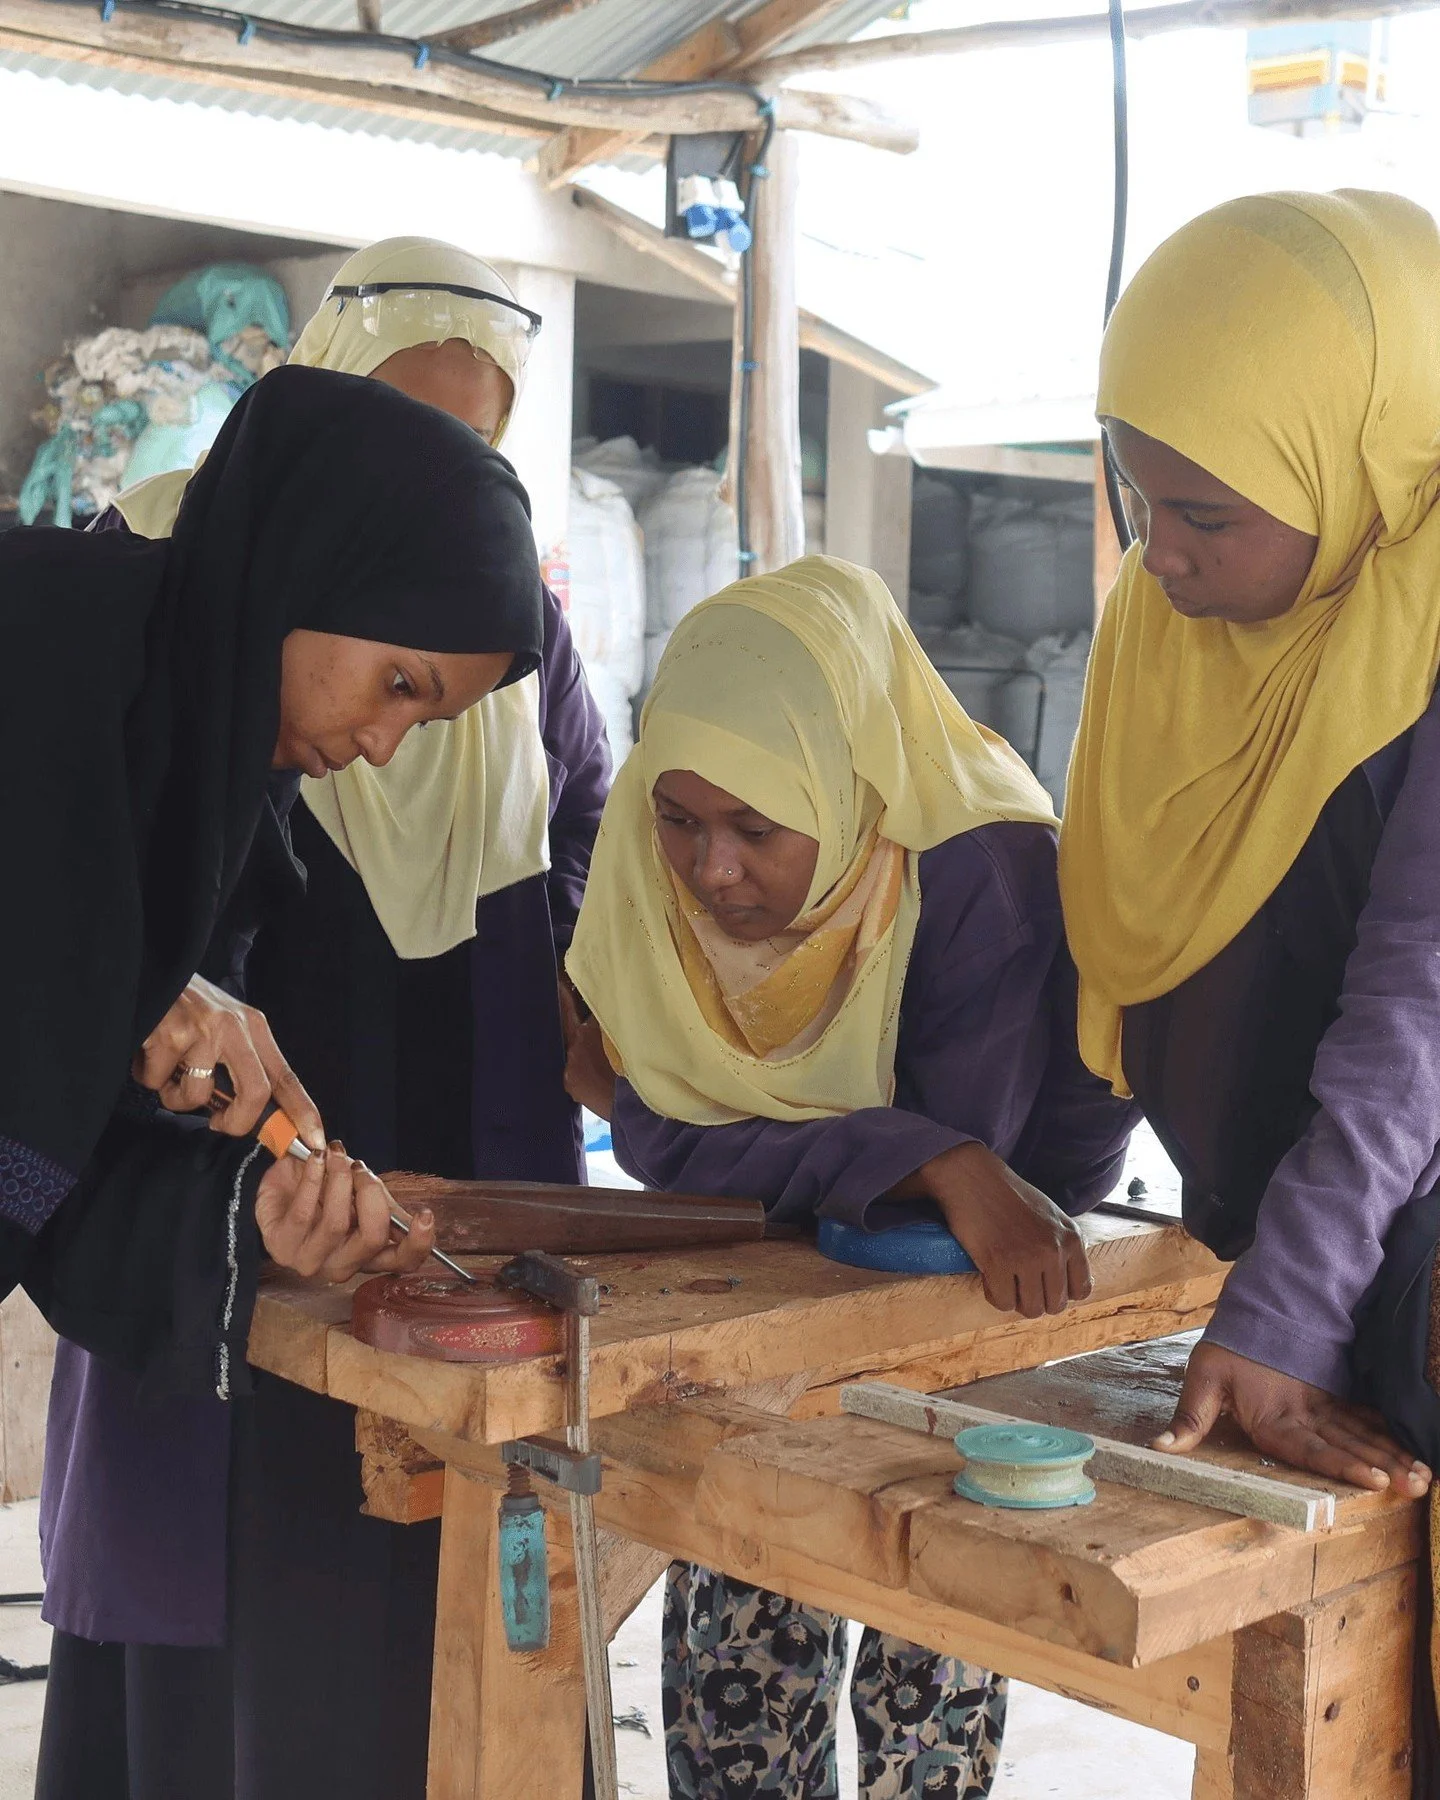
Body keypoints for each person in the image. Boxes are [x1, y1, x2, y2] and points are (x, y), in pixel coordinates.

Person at [36, 241, 610, 1800]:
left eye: (436, 713)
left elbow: (58, 1163)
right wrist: (121, 991)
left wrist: (238, 1208)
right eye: (399, 684)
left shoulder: (252, 783)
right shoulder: (77, 644)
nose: (381, 745)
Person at [565, 556, 1133, 1799]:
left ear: (846, 781)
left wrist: (920, 1162)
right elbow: (646, 1115)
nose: (712, 871)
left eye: (757, 829)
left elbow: (950, 1193)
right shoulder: (645, 835)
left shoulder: (979, 865)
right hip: (769, 1294)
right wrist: (914, 1153)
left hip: (970, 1295)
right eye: (684, 821)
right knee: (740, 1633)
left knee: (930, 1620)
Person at [1058, 187, 1440, 1503]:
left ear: (1354, 459)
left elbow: (1416, 1015)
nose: (1157, 555)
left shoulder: (1426, 641)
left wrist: (1291, 1308)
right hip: (1283, 1247)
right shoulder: (1166, 631)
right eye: (1135, 495)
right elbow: (1124, 929)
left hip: (1395, 1261)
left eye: (1207, 517)